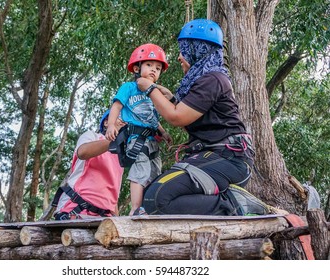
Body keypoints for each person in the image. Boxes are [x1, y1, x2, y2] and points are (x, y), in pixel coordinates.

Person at [136, 19, 258, 216]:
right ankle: (221, 201)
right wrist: (173, 99)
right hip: (210, 156)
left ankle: (233, 204)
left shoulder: (213, 79)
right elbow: (189, 120)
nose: (179, 58)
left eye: (183, 50)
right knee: (151, 196)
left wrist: (149, 88)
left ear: (197, 49)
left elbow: (176, 118)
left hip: (228, 158)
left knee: (156, 198)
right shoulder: (204, 80)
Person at [106, 43, 173, 216]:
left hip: (152, 139)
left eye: (158, 68)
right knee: (140, 171)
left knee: (155, 171)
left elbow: (152, 118)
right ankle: (135, 208)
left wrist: (163, 132)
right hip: (136, 138)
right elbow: (117, 106)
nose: (153, 70)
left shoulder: (153, 94)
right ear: (137, 68)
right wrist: (112, 124)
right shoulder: (129, 87)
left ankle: (148, 207)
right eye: (149, 65)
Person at [53, 110, 126, 220]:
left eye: (127, 120)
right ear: (106, 122)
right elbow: (82, 152)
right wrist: (115, 140)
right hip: (75, 208)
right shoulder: (92, 136)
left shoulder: (120, 155)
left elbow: (113, 191)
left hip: (104, 215)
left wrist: (117, 218)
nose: (124, 122)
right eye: (120, 117)